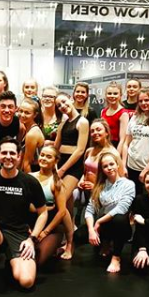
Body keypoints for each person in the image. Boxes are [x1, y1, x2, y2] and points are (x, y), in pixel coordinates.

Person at [0, 137, 48, 288]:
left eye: (12, 153)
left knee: (26, 282)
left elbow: (43, 213)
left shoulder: (29, 182)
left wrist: (32, 239)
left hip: (18, 233)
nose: (8, 156)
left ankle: (11, 261)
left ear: (19, 156)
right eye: (4, 153)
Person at [84, 152, 135, 273]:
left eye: (111, 164)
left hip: (121, 226)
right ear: (102, 169)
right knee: (79, 235)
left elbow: (121, 208)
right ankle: (105, 242)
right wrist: (91, 230)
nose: (109, 168)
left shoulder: (128, 184)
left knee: (119, 218)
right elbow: (89, 210)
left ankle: (116, 257)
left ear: (117, 165)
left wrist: (98, 222)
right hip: (105, 226)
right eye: (105, 166)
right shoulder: (100, 186)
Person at [55, 92, 89, 259]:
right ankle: (67, 237)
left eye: (63, 102)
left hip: (73, 167)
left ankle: (70, 244)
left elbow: (80, 150)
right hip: (60, 164)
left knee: (60, 201)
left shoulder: (82, 122)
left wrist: (63, 169)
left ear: (70, 98)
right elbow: (56, 147)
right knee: (67, 206)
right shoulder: (63, 124)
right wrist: (55, 166)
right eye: (59, 105)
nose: (62, 106)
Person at [30, 146, 66, 266]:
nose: (44, 158)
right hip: (29, 225)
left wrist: (45, 232)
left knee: (37, 261)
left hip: (50, 228)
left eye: (48, 156)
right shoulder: (29, 177)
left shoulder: (56, 183)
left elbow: (62, 211)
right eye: (42, 155)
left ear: (56, 161)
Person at [18, 98, 44, 173]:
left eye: (27, 113)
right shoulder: (25, 129)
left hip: (33, 171)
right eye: (21, 111)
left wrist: (27, 180)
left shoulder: (32, 133)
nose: (22, 115)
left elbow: (27, 163)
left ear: (35, 115)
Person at [101, 82, 129, 152]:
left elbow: (122, 140)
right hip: (103, 146)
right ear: (106, 95)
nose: (112, 96)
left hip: (115, 147)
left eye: (115, 94)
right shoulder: (103, 111)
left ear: (120, 95)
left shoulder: (123, 113)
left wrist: (117, 155)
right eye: (109, 93)